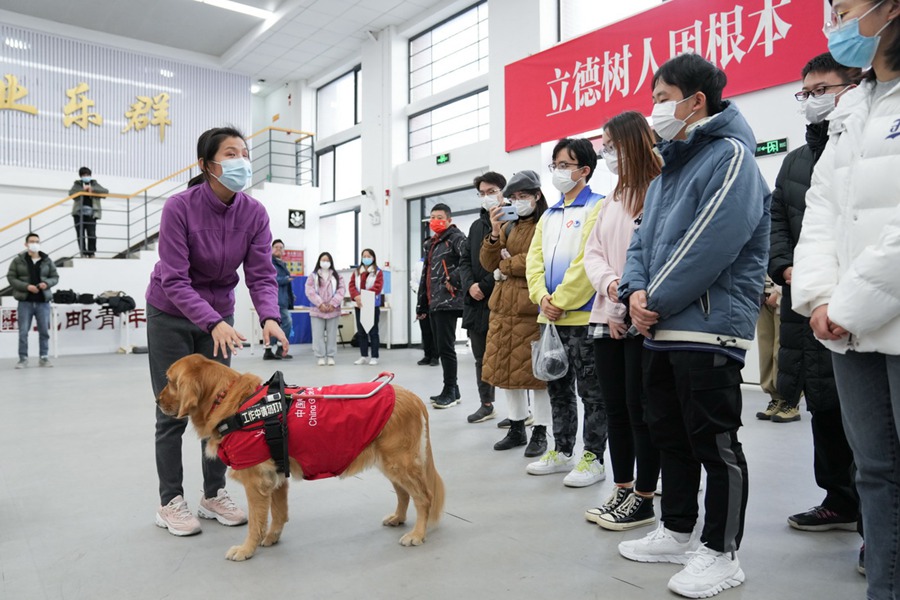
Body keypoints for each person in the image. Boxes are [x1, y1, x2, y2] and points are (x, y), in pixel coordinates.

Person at [617, 53, 770, 598]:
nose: (653, 110)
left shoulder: (731, 156)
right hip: (660, 325)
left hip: (708, 326)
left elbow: (712, 241)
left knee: (715, 442)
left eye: (661, 98)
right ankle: (679, 530)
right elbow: (641, 241)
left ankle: (722, 552)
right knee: (669, 435)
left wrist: (651, 298)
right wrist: (632, 292)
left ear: (694, 101)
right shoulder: (669, 170)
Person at [792, 3, 900, 596]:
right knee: (876, 474)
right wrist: (818, 299)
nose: (834, 18)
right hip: (847, 329)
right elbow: (821, 211)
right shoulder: (853, 107)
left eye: (845, 7)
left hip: (875, 316)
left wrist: (847, 305)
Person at [147, 126, 288, 537]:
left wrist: (268, 316)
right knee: (172, 411)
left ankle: (213, 493)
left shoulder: (254, 213)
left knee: (223, 411)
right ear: (207, 164)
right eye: (231, 153)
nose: (242, 160)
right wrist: (213, 321)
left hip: (218, 319)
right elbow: (174, 279)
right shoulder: (179, 208)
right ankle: (170, 500)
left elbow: (261, 275)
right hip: (171, 313)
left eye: (245, 152)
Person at [769, 52, 862, 534]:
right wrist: (785, 266)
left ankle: (877, 523)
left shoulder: (867, 144)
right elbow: (777, 220)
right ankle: (839, 499)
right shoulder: (796, 161)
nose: (811, 100)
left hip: (859, 299)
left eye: (822, 90)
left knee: (867, 416)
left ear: (855, 83)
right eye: (806, 92)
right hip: (806, 298)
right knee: (823, 404)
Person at [583, 111, 662, 531]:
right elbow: (593, 253)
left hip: (641, 317)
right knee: (615, 408)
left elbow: (649, 255)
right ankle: (623, 487)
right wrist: (613, 290)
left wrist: (624, 302)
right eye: (604, 146)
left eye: (612, 145)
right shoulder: (614, 195)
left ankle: (645, 496)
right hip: (606, 312)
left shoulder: (657, 189)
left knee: (640, 409)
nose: (608, 153)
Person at [524, 137, 607, 488]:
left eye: (565, 165)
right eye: (555, 165)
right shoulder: (550, 214)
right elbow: (534, 260)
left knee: (591, 391)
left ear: (584, 170)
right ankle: (561, 449)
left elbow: (588, 261)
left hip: (583, 317)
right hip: (549, 320)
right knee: (556, 386)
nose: (558, 171)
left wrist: (561, 300)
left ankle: (593, 457)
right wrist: (541, 296)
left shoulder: (598, 208)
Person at [481, 170, 552, 457]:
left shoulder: (546, 223)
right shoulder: (507, 226)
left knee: (537, 376)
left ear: (537, 195)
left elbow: (539, 260)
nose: (518, 202)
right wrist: (495, 234)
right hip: (503, 308)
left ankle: (541, 431)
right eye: (514, 197)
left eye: (524, 196)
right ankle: (516, 427)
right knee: (507, 371)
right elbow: (488, 263)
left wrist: (506, 266)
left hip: (531, 308)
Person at [460, 172, 503, 423]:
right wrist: (470, 286)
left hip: (501, 299)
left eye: (492, 191)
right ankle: (486, 403)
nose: (487, 196)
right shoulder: (476, 226)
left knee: (509, 355)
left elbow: (505, 261)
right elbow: (464, 259)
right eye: (483, 193)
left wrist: (484, 286)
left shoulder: (513, 221)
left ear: (502, 192)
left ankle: (523, 412)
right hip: (475, 303)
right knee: (481, 357)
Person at [416, 203, 467, 408]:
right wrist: (421, 304)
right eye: (432, 217)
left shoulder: (456, 238)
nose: (435, 220)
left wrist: (452, 279)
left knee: (446, 348)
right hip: (434, 301)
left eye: (439, 216)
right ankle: (453, 389)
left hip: (449, 300)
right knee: (440, 346)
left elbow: (468, 259)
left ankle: (450, 390)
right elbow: (425, 276)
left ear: (449, 220)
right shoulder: (432, 244)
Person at [8, 232, 59, 369]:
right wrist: (26, 287)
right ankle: (23, 359)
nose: (34, 243)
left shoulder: (47, 260)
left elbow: (55, 276)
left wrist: (46, 283)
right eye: (31, 241)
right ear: (26, 244)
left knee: (44, 331)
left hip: (43, 302)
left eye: (37, 241)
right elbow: (11, 278)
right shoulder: (18, 260)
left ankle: (44, 357)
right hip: (25, 302)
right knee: (23, 332)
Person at [756, 276, 792, 421]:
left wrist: (780, 292)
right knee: (766, 351)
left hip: (785, 295)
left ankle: (790, 401)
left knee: (783, 350)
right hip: (762, 295)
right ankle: (775, 398)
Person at [305, 252, 345, 366]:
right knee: (318, 335)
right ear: (319, 261)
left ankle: (331, 356)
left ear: (331, 262)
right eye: (323, 260)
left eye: (327, 260)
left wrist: (333, 303)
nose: (325, 262)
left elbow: (341, 290)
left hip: (333, 310)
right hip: (317, 310)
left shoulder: (337, 276)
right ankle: (320, 356)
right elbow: (309, 291)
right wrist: (320, 303)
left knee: (332, 334)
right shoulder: (313, 276)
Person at [349, 248, 385, 365]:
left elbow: (377, 287)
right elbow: (352, 286)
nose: (366, 258)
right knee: (361, 332)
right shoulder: (356, 272)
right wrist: (356, 296)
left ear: (373, 258)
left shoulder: (378, 272)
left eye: (369, 256)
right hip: (359, 304)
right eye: (364, 256)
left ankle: (374, 356)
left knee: (373, 332)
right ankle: (363, 355)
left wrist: (363, 296)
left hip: (372, 304)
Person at [264, 239, 294, 360]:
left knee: (276, 325)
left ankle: (269, 350)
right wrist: (286, 279)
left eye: (281, 247)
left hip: (282, 299)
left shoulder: (282, 264)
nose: (278, 249)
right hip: (275, 299)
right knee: (287, 322)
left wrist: (291, 295)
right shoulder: (270, 262)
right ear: (271, 249)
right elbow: (271, 279)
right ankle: (280, 348)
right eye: (276, 247)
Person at [68, 167, 107, 258]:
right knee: (80, 234)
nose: (86, 177)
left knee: (92, 233)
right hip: (78, 213)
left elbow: (105, 191)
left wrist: (92, 189)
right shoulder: (77, 184)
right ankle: (83, 252)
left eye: (87, 175)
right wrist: (83, 190)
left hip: (92, 213)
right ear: (81, 176)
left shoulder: (94, 183)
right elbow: (71, 193)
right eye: (84, 175)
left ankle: (91, 252)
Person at [411, 256, 439, 366]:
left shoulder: (437, 262)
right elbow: (413, 281)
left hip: (435, 300)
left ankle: (435, 356)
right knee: (425, 329)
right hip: (422, 300)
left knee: (435, 330)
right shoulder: (418, 263)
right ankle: (427, 355)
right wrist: (421, 290)